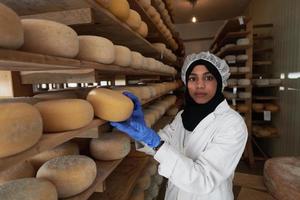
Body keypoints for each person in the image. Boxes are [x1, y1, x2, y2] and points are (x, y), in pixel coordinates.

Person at [111, 51, 248, 200]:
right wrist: (142, 133)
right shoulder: (183, 116)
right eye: (193, 78)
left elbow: (203, 179)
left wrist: (156, 143)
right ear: (186, 83)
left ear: (219, 82)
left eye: (208, 78)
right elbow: (162, 142)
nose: (199, 85)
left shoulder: (233, 124)